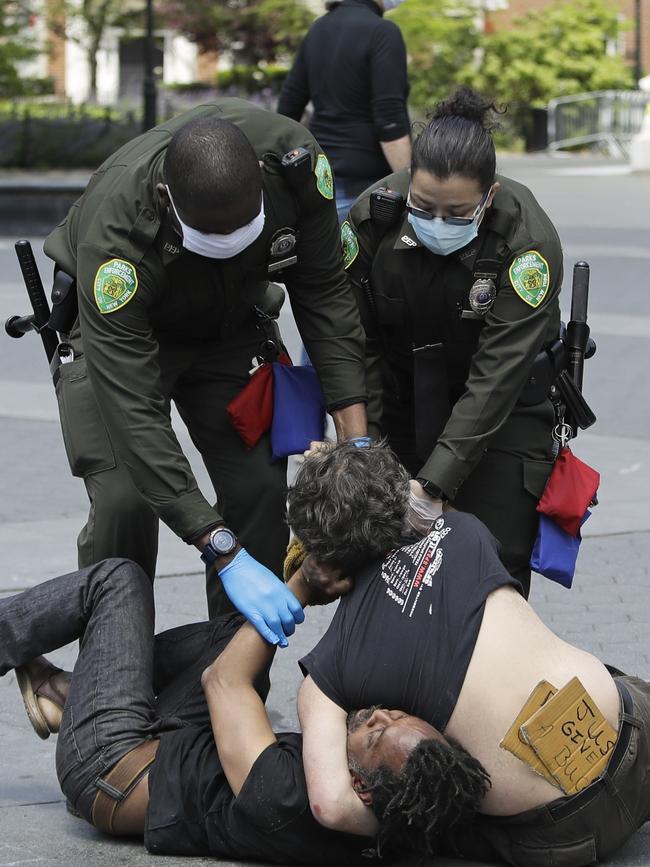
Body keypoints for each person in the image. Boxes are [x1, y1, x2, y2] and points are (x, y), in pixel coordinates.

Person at [42, 97, 370, 635]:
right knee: (125, 501)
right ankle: (118, 677)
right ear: (168, 199)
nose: (227, 243)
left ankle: (227, 685)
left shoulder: (297, 168)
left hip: (230, 324)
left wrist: (356, 446)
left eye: (240, 232)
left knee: (260, 494)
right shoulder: (117, 242)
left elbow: (325, 294)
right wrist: (221, 549)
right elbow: (134, 414)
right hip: (123, 334)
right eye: (211, 238)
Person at [286, 442, 650, 865]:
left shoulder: (331, 668)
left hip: (562, 834)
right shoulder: (465, 532)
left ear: (315, 551)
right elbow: (415, 509)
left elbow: (330, 805)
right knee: (604, 675)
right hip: (634, 736)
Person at [0, 556, 486, 862]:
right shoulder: (409, 814)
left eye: (378, 735)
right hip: (176, 747)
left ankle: (78, 708)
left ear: (360, 787)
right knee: (234, 633)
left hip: (108, 767)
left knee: (116, 581)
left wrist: (301, 584)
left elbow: (224, 681)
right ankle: (73, 696)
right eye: (397, 716)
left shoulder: (287, 797)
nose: (380, 715)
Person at [341, 87, 564, 595]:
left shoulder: (527, 243)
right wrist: (365, 453)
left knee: (490, 567)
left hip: (501, 417)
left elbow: (496, 379)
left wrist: (435, 483)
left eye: (459, 213)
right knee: (385, 571)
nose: (438, 223)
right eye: (424, 207)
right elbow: (357, 345)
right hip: (400, 402)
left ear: (489, 195)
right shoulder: (373, 218)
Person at [277, 0, 412, 222]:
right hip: (366, 187)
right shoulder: (383, 32)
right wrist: (411, 186)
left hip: (319, 178)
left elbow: (289, 106)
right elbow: (389, 122)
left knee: (327, 254)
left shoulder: (318, 28)